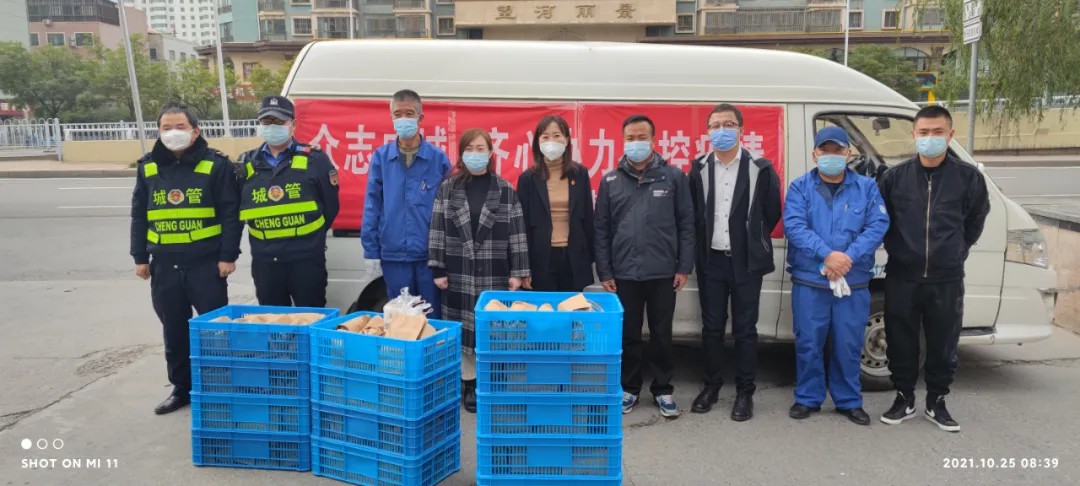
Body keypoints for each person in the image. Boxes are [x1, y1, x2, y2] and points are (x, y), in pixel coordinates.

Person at [877, 105, 990, 432]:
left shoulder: (968, 177)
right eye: (924, 132)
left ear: (950, 135)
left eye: (937, 132)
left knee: (943, 343)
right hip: (903, 275)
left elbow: (976, 218)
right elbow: (881, 220)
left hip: (946, 277)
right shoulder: (895, 178)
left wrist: (958, 249)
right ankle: (904, 397)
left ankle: (937, 401)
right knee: (901, 341)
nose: (930, 138)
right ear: (914, 135)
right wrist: (899, 249)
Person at [130, 103, 242, 415]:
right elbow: (139, 214)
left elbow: (230, 214)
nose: (173, 133)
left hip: (205, 264)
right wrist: (139, 256)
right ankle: (182, 389)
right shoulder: (148, 166)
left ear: (195, 131)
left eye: (180, 127)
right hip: (164, 265)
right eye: (166, 128)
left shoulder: (216, 164)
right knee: (174, 331)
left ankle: (219, 387)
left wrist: (228, 256)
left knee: (215, 330)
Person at [782, 126, 889, 426]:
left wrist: (846, 257)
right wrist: (827, 255)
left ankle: (849, 400)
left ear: (848, 153)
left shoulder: (866, 188)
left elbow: (877, 226)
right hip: (811, 281)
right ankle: (808, 397)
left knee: (848, 343)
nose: (831, 155)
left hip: (852, 282)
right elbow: (795, 226)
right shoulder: (800, 187)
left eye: (837, 150)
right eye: (825, 150)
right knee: (809, 343)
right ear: (814, 154)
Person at [595, 114, 694, 418]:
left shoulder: (673, 177)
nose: (636, 143)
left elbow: (686, 224)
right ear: (623, 140)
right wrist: (605, 271)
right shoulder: (610, 180)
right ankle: (630, 388)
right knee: (629, 335)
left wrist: (683, 267)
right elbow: (601, 230)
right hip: (624, 273)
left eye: (642, 137)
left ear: (653, 140)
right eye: (630, 138)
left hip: (663, 272)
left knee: (662, 334)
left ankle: (663, 389)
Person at [687, 104, 782, 421]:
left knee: (745, 330)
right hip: (711, 261)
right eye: (715, 125)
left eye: (728, 124)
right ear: (707, 132)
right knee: (712, 328)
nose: (722, 130)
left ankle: (745, 392)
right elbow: (693, 214)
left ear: (741, 130)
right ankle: (711, 386)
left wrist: (751, 240)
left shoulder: (760, 168)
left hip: (746, 262)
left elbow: (771, 212)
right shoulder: (698, 168)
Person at [428, 128, 530, 414]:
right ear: (461, 154)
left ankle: (494, 382)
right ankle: (470, 384)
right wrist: (437, 267)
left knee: (494, 328)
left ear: (490, 152)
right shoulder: (448, 188)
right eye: (469, 148)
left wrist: (518, 271)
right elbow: (436, 228)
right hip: (458, 270)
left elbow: (518, 234)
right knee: (463, 331)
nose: (475, 153)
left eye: (480, 148)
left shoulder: (505, 190)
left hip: (494, 271)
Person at [235, 95, 340, 307]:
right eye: (267, 121)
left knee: (311, 318)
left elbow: (331, 206)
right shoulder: (246, 164)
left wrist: (310, 240)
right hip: (265, 262)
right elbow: (236, 208)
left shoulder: (315, 159)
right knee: (273, 321)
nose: (272, 126)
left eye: (279, 121)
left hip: (306, 259)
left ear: (293, 125)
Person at [363, 89, 452, 317]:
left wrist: (447, 254)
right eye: (398, 114)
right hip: (393, 256)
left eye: (409, 113)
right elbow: (372, 206)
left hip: (429, 258)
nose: (403, 119)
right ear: (391, 118)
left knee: (432, 318)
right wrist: (371, 251)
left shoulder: (438, 159)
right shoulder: (381, 158)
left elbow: (450, 210)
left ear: (420, 118)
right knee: (400, 319)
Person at [516, 115, 595, 292]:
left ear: (566, 139)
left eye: (557, 135)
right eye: (545, 137)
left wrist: (589, 257)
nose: (551, 141)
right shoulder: (528, 178)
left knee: (571, 306)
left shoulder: (579, 173)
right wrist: (523, 267)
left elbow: (588, 218)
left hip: (573, 256)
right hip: (540, 257)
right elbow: (521, 226)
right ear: (537, 142)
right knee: (544, 307)